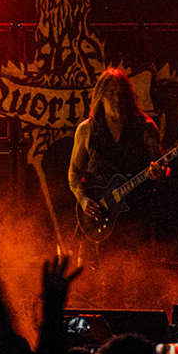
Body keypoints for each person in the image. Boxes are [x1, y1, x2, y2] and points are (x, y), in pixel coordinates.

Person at [67, 67, 164, 250]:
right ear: (100, 97)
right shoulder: (86, 130)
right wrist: (83, 200)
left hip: (136, 217)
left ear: (129, 97)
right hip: (98, 220)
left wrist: (160, 174)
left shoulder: (146, 128)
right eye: (111, 95)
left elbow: (161, 169)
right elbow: (73, 175)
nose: (117, 100)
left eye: (121, 95)